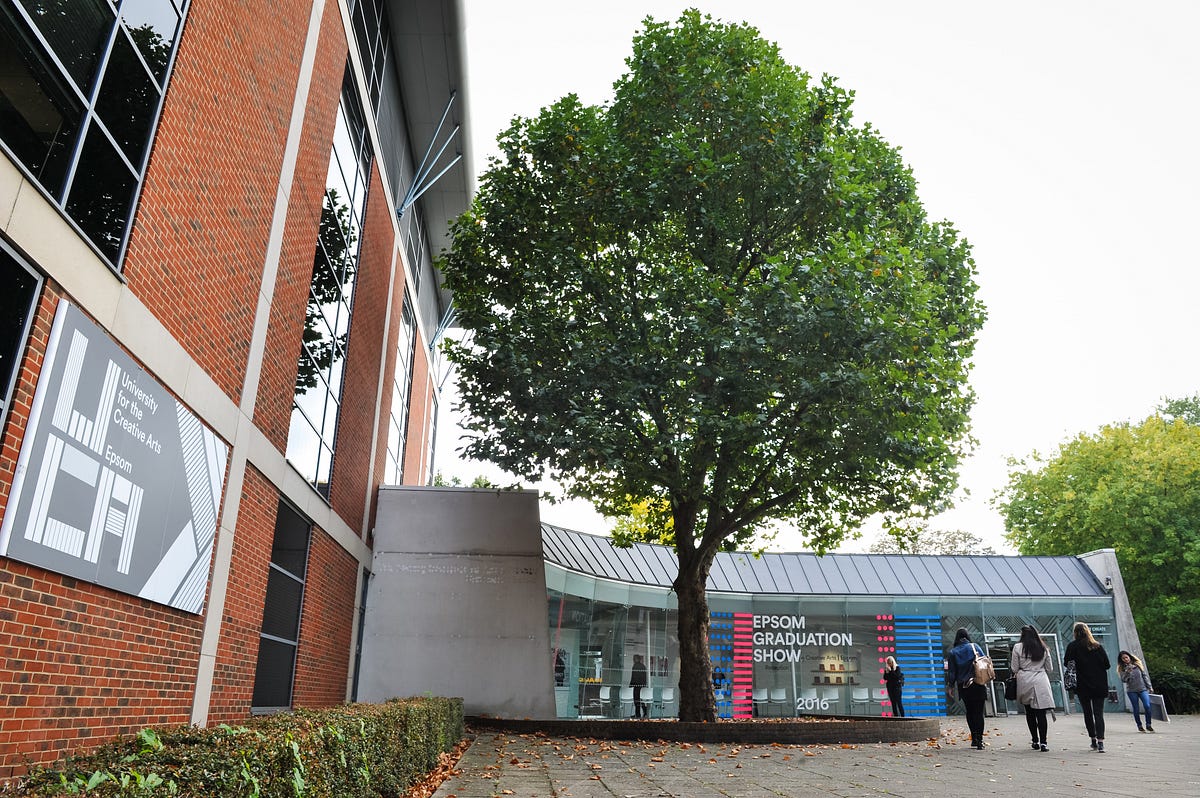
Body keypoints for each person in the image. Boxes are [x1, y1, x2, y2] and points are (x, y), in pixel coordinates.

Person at [1063, 622, 1111, 752]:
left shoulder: (1072, 646)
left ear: (1075, 633)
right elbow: (1107, 665)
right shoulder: (1097, 646)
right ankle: (1101, 742)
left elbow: (1066, 663)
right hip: (1099, 684)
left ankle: (1093, 739)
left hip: (1082, 684)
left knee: (1087, 713)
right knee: (1098, 713)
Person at [1012, 625, 1055, 752]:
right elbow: (1050, 668)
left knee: (1029, 713)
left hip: (1025, 680)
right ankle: (1044, 742)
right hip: (1041, 680)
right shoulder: (1043, 648)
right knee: (1041, 713)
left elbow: (1014, 668)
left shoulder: (1017, 647)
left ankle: (1035, 740)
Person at [945, 628, 987, 749]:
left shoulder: (953, 652)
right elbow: (984, 661)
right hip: (978, 682)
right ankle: (980, 740)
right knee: (979, 712)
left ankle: (974, 738)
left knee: (970, 711)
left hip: (964, 686)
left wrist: (950, 686)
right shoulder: (975, 647)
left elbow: (952, 672)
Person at [1117, 650, 1154, 732]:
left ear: (1129, 657)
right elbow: (1124, 680)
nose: (1125, 659)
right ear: (1121, 660)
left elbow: (1144, 676)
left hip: (1142, 689)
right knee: (1136, 708)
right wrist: (1127, 673)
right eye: (1123, 658)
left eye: (1126, 657)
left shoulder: (1137, 665)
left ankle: (1148, 724)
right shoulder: (1122, 669)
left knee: (1147, 706)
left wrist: (1149, 687)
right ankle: (1139, 725)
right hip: (1132, 691)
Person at [630, 654, 648, 719]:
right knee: (640, 699)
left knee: (636, 700)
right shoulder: (643, 666)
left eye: (634, 658)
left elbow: (633, 677)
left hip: (636, 685)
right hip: (642, 686)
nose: (633, 660)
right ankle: (644, 711)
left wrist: (631, 685)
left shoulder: (635, 666)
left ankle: (638, 714)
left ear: (636, 659)